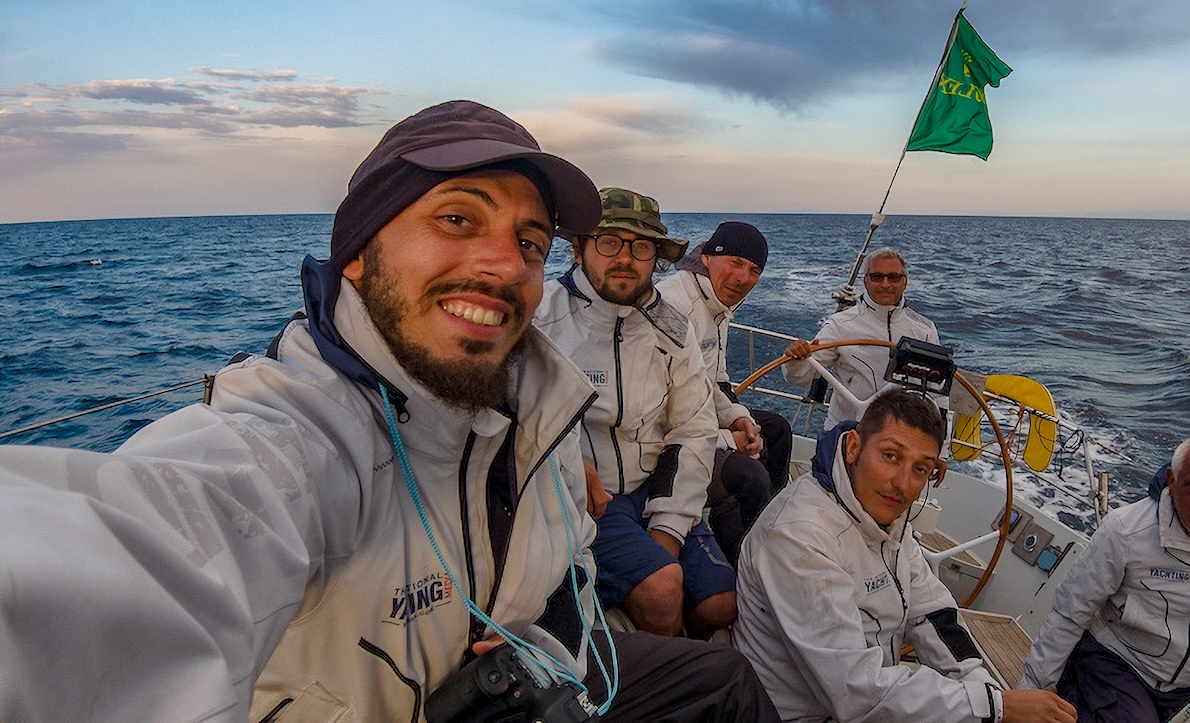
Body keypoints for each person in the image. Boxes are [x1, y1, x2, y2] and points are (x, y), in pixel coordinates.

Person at [0, 100, 778, 721]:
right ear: (358, 250)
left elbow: (571, 565)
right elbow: (136, 560)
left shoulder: (540, 409)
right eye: (457, 218)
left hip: (533, 685)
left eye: (529, 242)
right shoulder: (300, 443)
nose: (503, 263)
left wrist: (541, 648)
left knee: (727, 681)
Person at [734, 387, 1079, 723]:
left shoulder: (883, 516)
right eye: (891, 456)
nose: (902, 483)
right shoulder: (800, 537)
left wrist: (982, 685)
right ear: (853, 447)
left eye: (920, 469)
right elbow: (855, 692)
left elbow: (931, 613)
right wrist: (996, 707)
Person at [535, 187, 735, 638]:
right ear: (579, 248)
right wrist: (566, 464)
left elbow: (694, 428)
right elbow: (511, 420)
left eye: (641, 246)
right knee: (663, 588)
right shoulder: (540, 322)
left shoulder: (671, 328)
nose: (625, 258)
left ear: (656, 258)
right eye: (609, 242)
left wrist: (669, 525)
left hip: (653, 486)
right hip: (584, 499)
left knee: (720, 605)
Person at [1019, 435, 1190, 723]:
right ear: (1172, 480)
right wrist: (1029, 694)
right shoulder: (1125, 531)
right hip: (1117, 665)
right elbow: (1070, 613)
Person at [657, 220, 793, 565]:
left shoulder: (718, 306)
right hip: (666, 436)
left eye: (754, 270)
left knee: (776, 430)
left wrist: (739, 418)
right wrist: (728, 439)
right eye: (735, 262)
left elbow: (715, 381)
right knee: (750, 477)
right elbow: (663, 413)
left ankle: (768, 530)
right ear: (706, 257)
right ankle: (738, 565)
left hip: (699, 411)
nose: (742, 278)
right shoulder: (675, 306)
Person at [782, 247, 942, 431]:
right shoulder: (841, 325)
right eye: (877, 277)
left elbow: (935, 391)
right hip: (847, 428)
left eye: (893, 277)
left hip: (900, 433)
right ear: (866, 282)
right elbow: (800, 377)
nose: (885, 284)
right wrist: (797, 359)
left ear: (905, 282)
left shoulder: (924, 330)